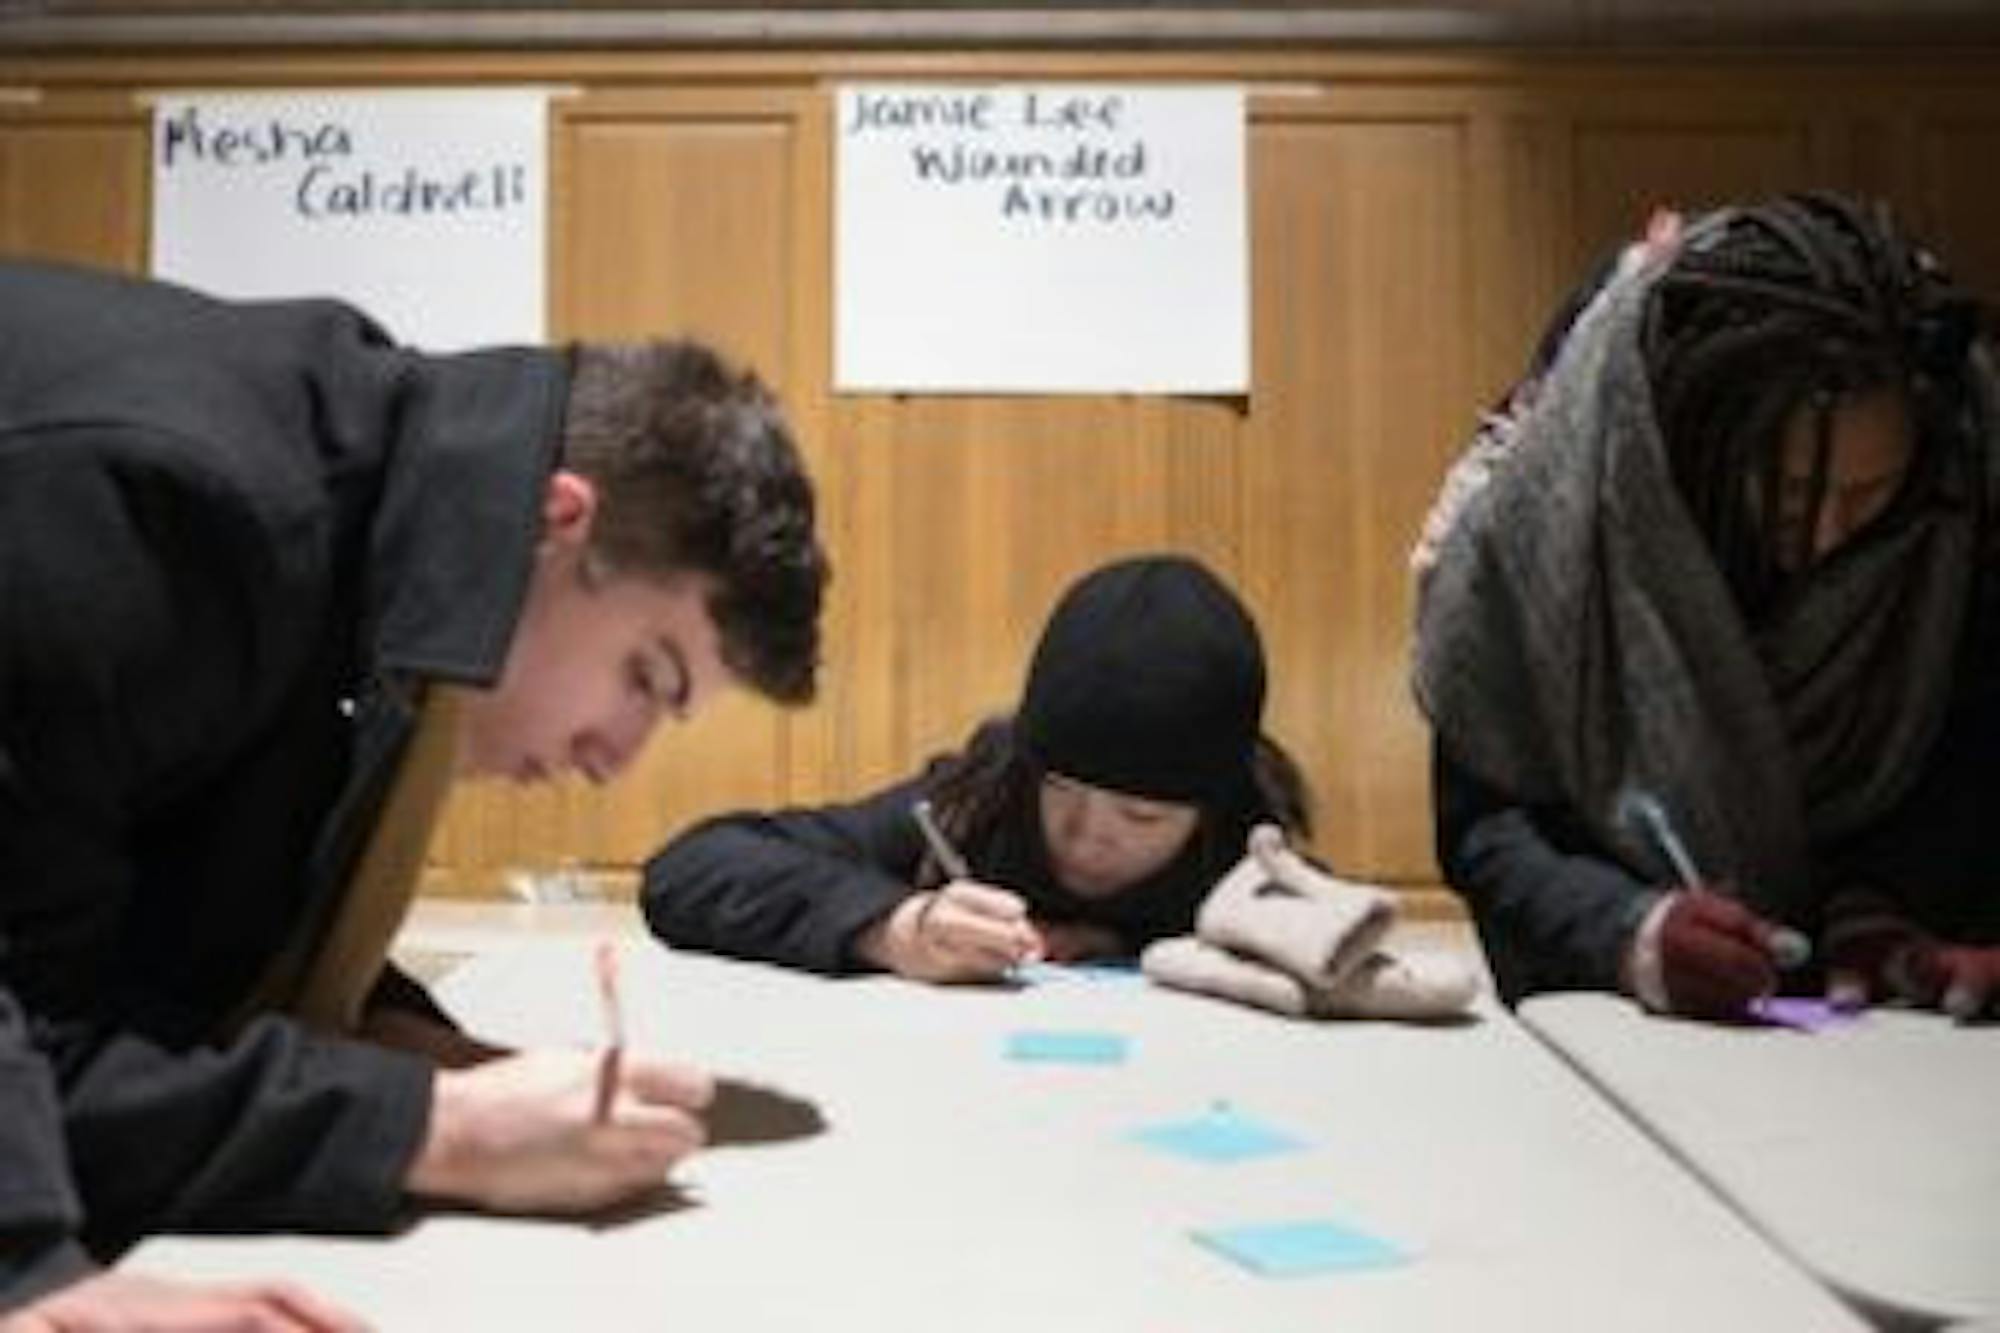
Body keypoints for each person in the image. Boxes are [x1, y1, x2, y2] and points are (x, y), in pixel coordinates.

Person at [0, 259, 829, 1327]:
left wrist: (405, 1046)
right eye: (644, 675)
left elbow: (153, 913)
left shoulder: (372, 519)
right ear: (558, 518)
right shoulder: (178, 500)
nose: (611, 760)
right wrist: (32, 1274)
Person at [1412, 192, 2000, 1022]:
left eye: (1869, 496)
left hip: (1883, 1041)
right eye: (1793, 495)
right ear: (1693, 449)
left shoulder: (1958, 505)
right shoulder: (1549, 518)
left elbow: (1968, 758)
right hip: (1616, 1032)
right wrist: (1630, 931)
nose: (1830, 536)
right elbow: (1486, 824)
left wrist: (1884, 906)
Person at [643, 554, 1313, 984]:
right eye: (1063, 790)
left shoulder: (1252, 847)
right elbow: (692, 868)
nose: (1085, 835)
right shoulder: (980, 801)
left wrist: (1123, 939)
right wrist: (894, 927)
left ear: (1209, 810)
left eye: (1141, 814)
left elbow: (1326, 944)